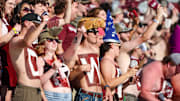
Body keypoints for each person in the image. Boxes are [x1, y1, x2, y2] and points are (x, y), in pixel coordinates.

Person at [68, 17, 113, 101]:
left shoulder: (96, 49)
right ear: (85, 34)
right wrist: (79, 69)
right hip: (85, 96)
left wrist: (106, 87)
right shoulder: (76, 51)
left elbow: (96, 71)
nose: (97, 34)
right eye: (95, 32)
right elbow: (68, 76)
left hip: (99, 96)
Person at [9, 13, 48, 101]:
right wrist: (42, 24)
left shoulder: (32, 48)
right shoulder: (16, 40)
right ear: (26, 23)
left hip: (36, 91)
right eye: (36, 25)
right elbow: (26, 41)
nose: (38, 29)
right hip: (25, 90)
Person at [100, 12, 138, 100]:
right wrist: (127, 74)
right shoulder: (106, 62)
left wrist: (128, 83)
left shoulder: (112, 61)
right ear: (112, 45)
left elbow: (117, 87)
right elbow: (108, 84)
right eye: (118, 46)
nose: (119, 48)